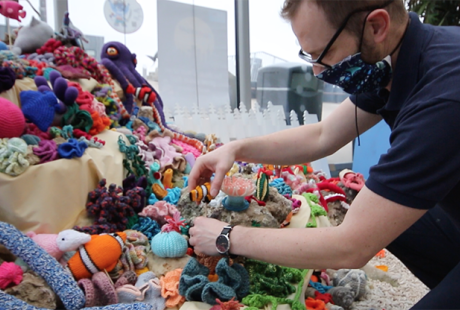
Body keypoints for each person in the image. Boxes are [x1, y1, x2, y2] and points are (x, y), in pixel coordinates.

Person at [188, 0, 460, 308]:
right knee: (384, 214)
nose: (316, 70)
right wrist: (236, 149)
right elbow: (323, 135)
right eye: (308, 54)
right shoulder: (389, 58)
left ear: (376, 26)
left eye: (322, 54)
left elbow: (351, 246)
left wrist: (226, 237)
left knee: (372, 222)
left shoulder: (445, 97)